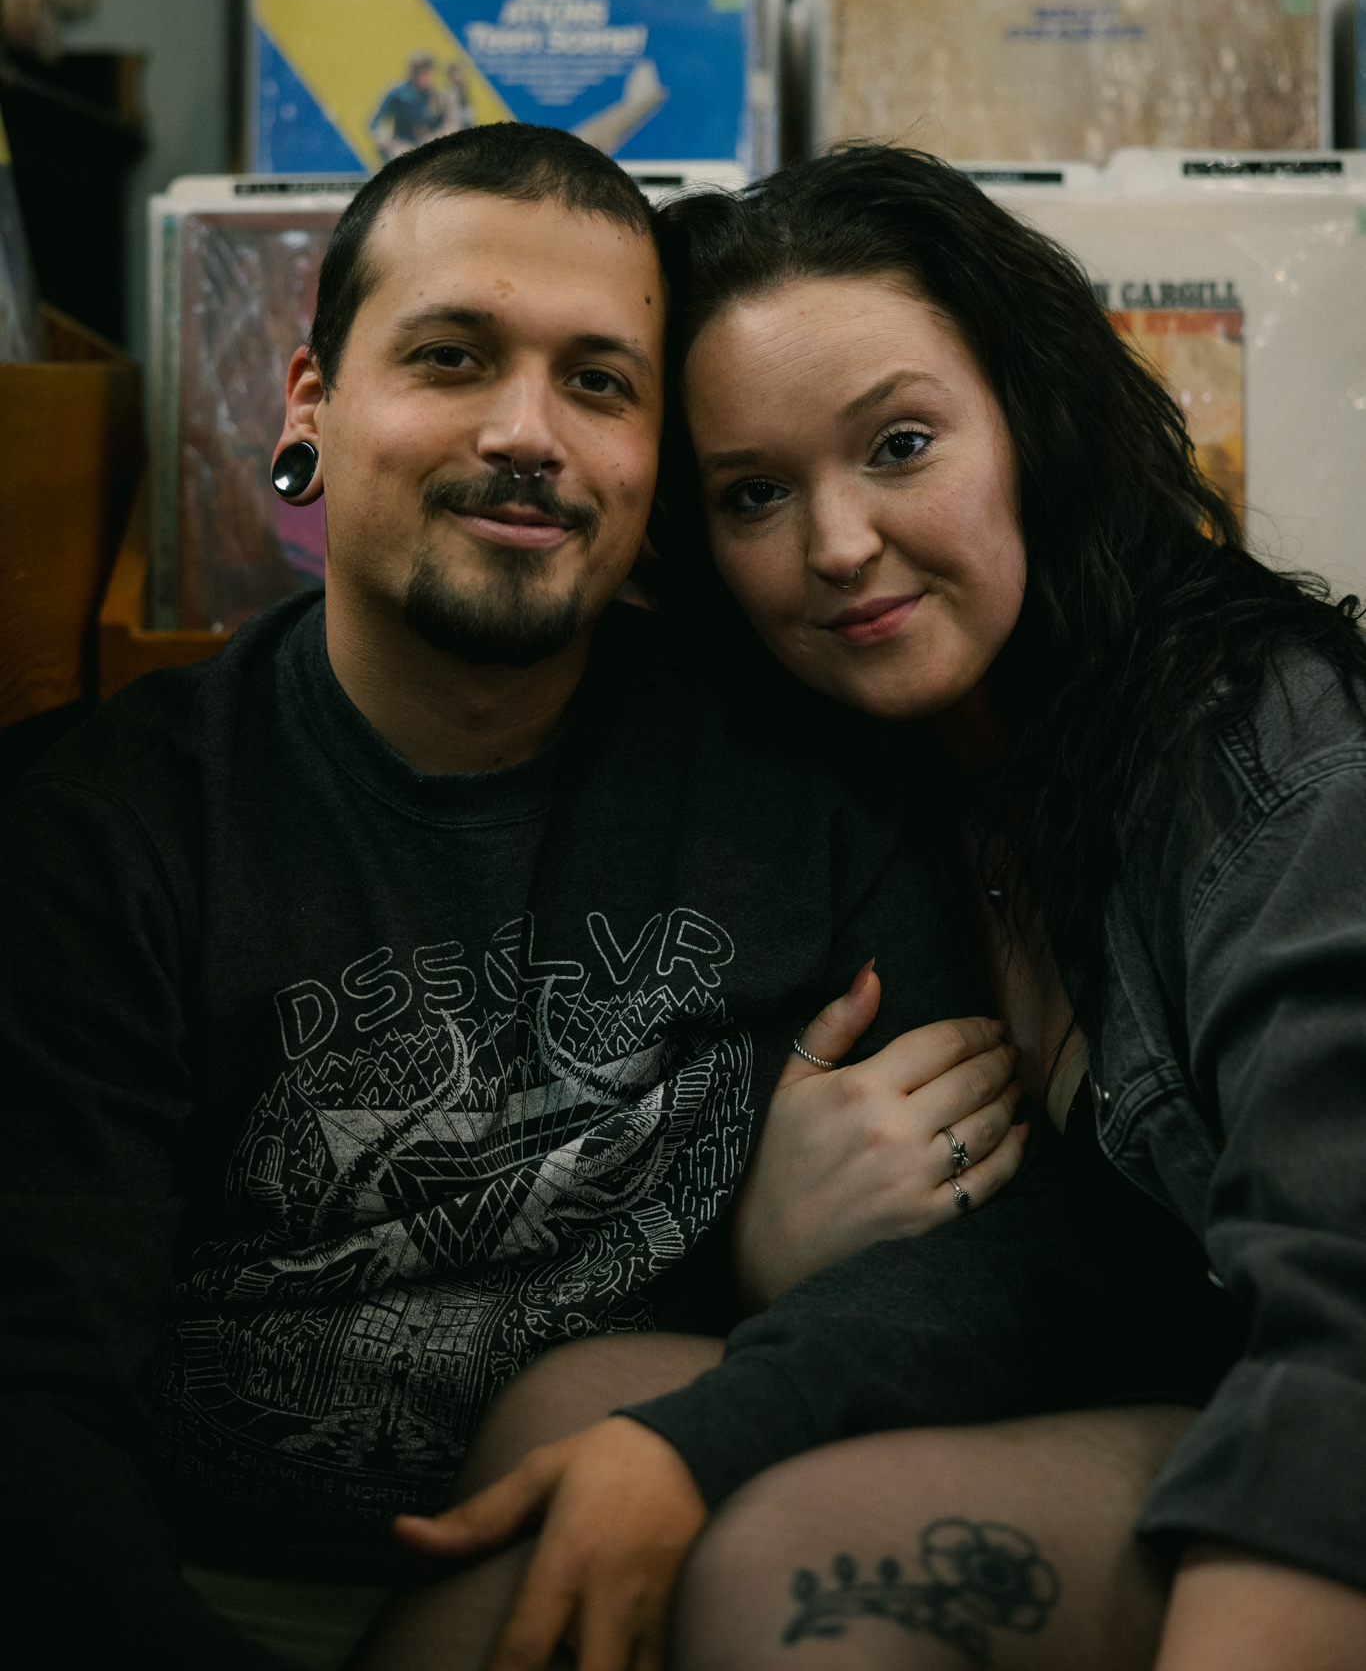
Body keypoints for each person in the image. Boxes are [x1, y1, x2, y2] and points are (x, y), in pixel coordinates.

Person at [0, 126, 1057, 1671]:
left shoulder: (812, 774)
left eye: (599, 383)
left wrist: (733, 1359)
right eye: (451, 358)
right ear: (310, 404)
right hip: (199, 1595)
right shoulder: (104, 833)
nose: (524, 434)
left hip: (665, 1548)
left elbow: (987, 1253)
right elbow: (30, 1409)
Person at [631, 146, 1363, 1669]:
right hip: (1148, 1378)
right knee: (563, 1418)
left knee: (792, 1560)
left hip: (1310, 1419)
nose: (837, 544)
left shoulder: (1270, 752)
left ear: (1031, 423)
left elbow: (1344, 1298)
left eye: (899, 444)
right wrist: (759, 1237)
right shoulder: (840, 774)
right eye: (754, 493)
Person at [370, 53, 445, 163]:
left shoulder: (433, 95)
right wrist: (382, 136)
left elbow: (439, 123)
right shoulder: (398, 94)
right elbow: (377, 120)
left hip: (425, 145)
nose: (432, 77)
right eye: (429, 72)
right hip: (401, 145)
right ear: (418, 73)